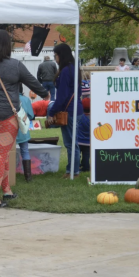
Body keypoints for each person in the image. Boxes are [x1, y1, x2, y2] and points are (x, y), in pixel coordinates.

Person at [0, 29, 49, 208]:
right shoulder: (15, 65)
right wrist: (45, 94)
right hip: (5, 118)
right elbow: (33, 83)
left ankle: (6, 190)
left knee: (1, 152)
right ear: (7, 46)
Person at [47, 43, 83, 179]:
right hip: (76, 109)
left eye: (55, 55)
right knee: (73, 143)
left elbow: (61, 96)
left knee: (70, 143)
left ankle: (73, 172)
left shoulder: (66, 71)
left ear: (60, 55)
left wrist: (51, 113)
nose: (55, 58)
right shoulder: (74, 68)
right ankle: (71, 170)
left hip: (69, 111)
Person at [17, 84, 35, 182]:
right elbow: (31, 115)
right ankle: (28, 178)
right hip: (23, 129)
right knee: (25, 151)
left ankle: (7, 177)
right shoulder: (26, 100)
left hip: (10, 130)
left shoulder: (7, 98)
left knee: (7, 154)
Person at [77, 103, 91, 173]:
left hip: (79, 140)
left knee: (77, 154)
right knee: (86, 155)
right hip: (88, 142)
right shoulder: (93, 118)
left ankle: (77, 167)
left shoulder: (80, 117)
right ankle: (86, 167)